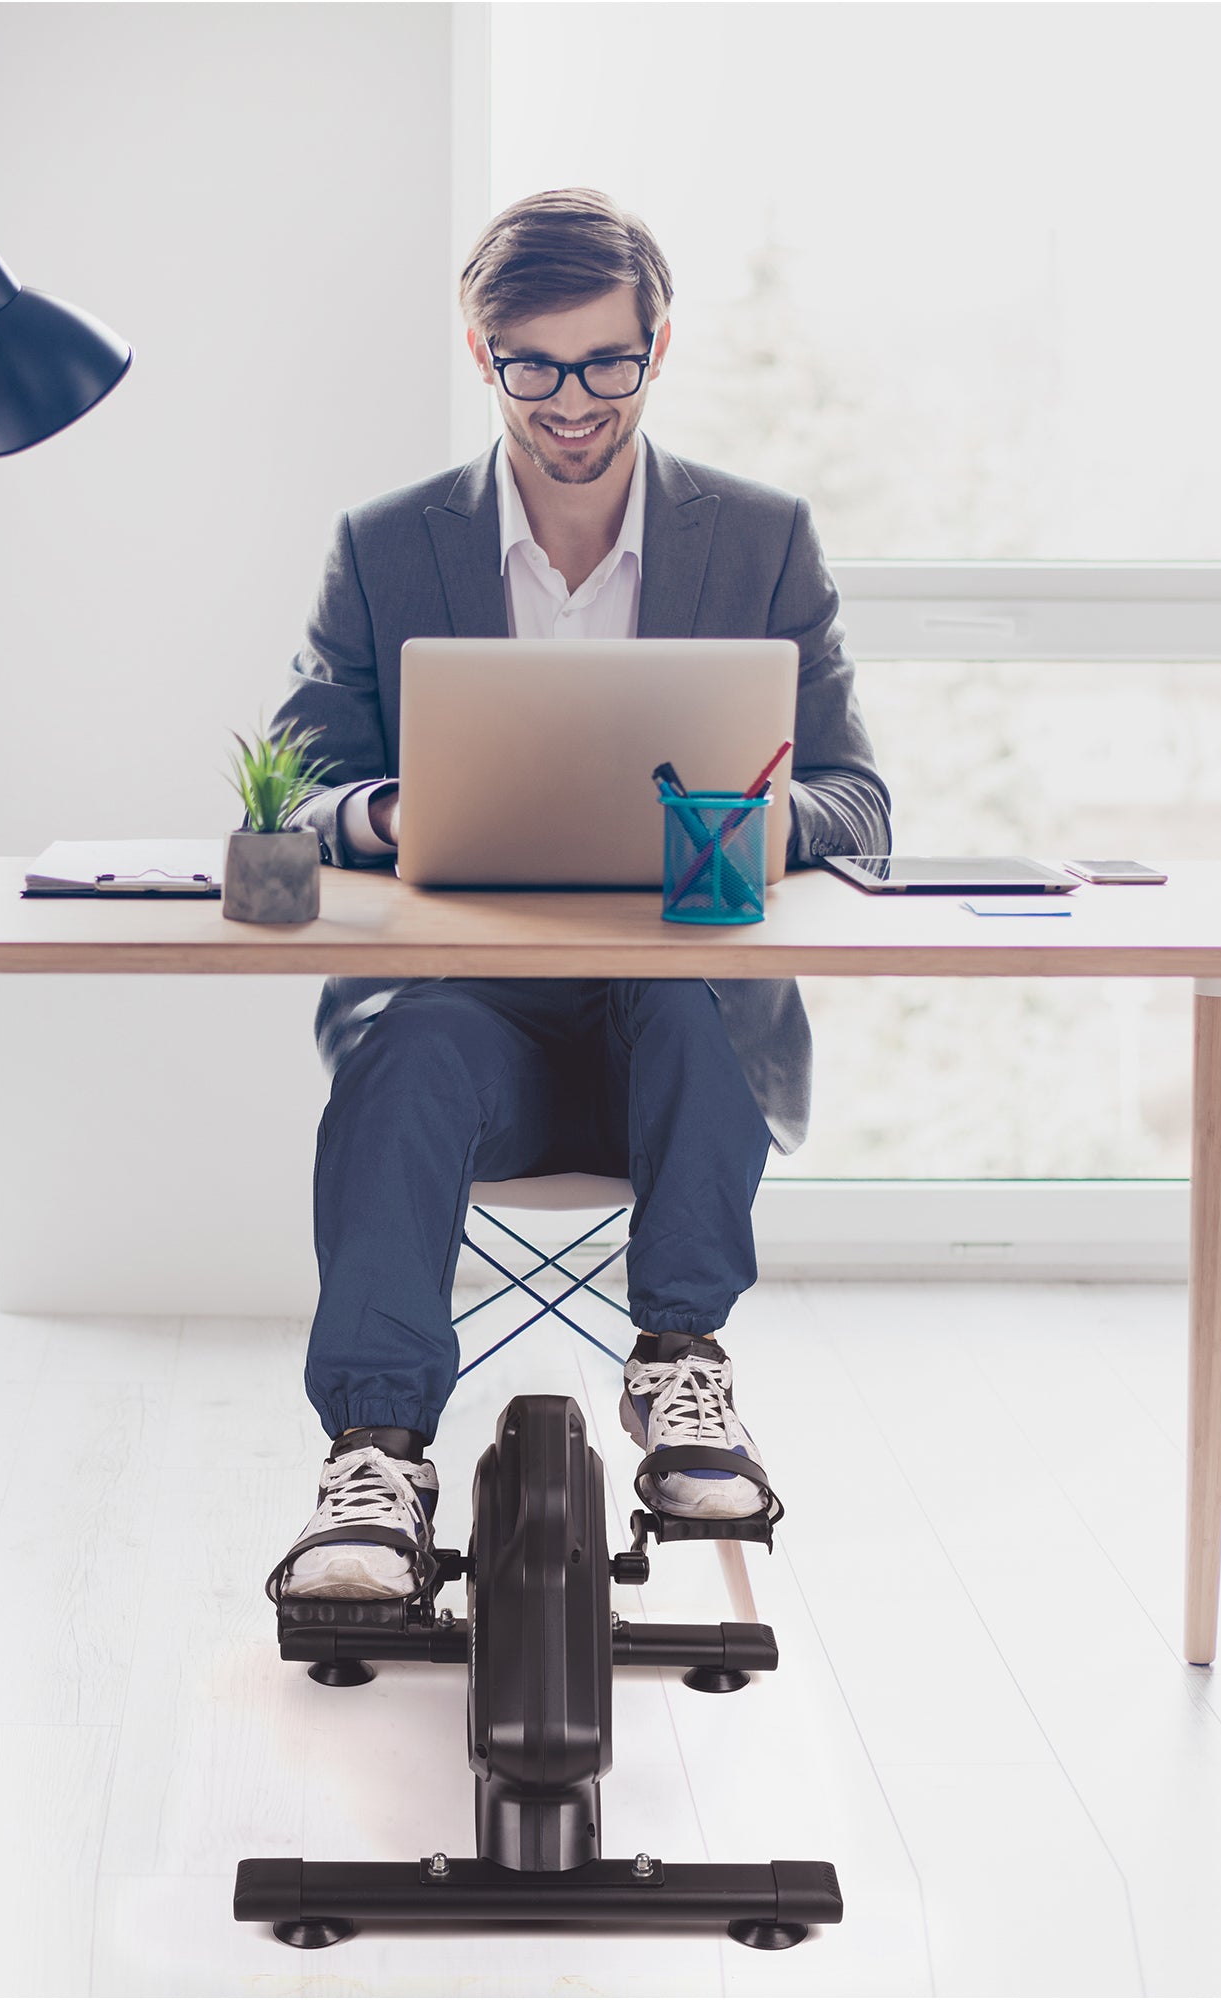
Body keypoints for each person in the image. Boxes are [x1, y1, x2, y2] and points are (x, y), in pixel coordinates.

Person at [264, 188, 890, 1601]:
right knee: (410, 1043)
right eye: (534, 365)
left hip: (681, 1046)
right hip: (471, 1028)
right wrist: (389, 810)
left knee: (682, 990)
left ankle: (681, 1375)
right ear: (481, 355)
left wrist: (747, 817)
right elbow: (294, 789)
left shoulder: (761, 539)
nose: (572, 400)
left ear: (658, 347)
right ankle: (373, 1464)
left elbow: (861, 805)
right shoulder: (388, 545)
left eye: (607, 360)